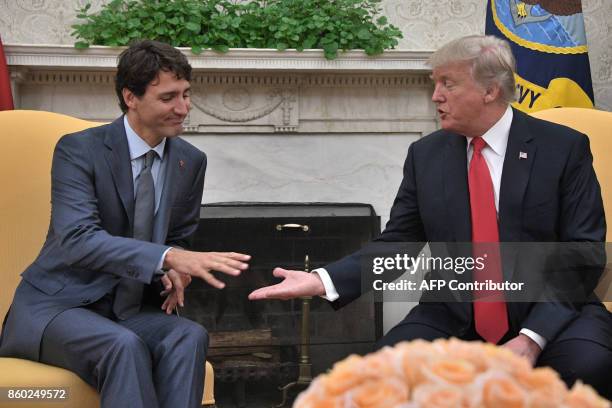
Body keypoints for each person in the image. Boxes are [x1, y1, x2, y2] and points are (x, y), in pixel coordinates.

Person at [249, 35, 612, 398]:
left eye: (447, 84)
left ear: (490, 90)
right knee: (380, 376)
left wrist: (531, 340)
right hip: (452, 313)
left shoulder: (563, 148)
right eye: (434, 84)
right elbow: (398, 244)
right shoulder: (426, 155)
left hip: (553, 312)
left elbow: (583, 253)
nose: (436, 96)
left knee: (587, 365)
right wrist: (322, 280)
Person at [0, 40, 250, 408]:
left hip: (130, 311)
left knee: (188, 336)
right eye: (168, 98)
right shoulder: (78, 150)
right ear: (130, 97)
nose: (183, 108)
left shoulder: (190, 161)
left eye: (186, 94)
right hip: (58, 307)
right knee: (123, 347)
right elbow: (77, 239)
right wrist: (167, 258)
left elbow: (177, 236)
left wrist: (175, 267)